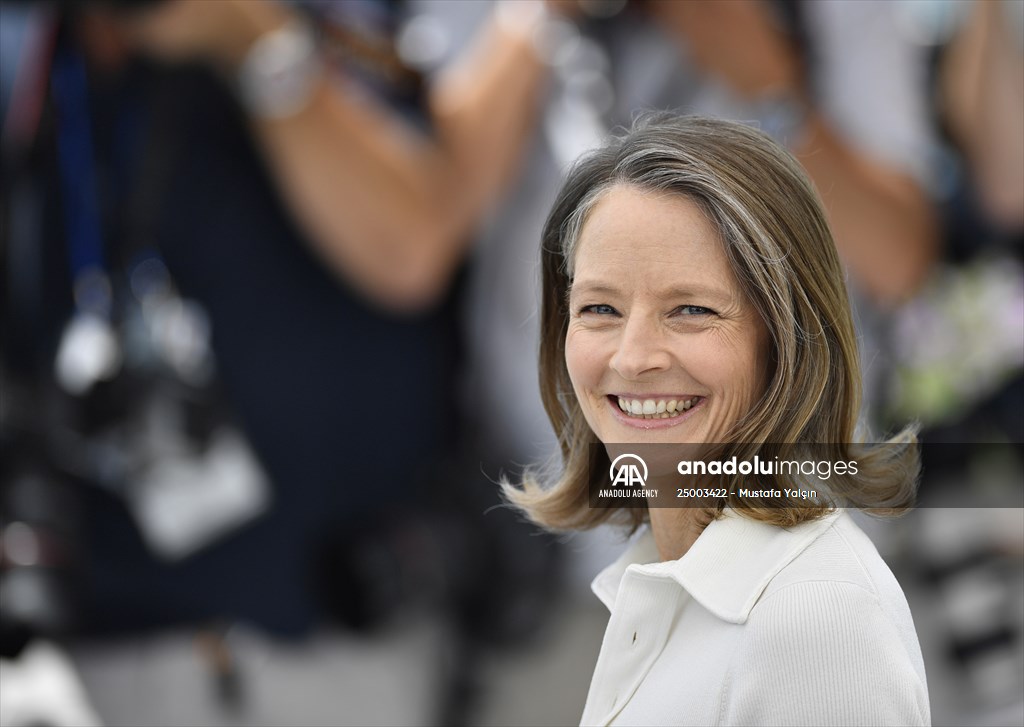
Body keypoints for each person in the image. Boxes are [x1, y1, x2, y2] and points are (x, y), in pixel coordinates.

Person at [504, 115, 930, 726]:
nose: (632, 357)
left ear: (785, 342)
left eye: (691, 310)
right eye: (599, 308)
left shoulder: (816, 621)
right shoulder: (670, 586)